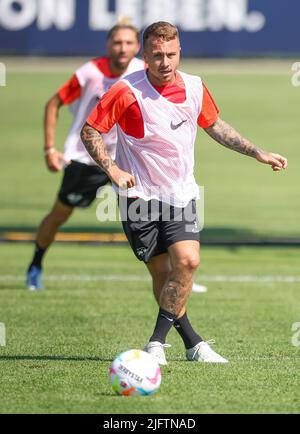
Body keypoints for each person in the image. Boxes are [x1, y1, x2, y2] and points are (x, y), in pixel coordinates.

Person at [80, 21, 287, 364]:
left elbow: (215, 125)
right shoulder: (125, 90)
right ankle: (194, 344)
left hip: (182, 194)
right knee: (163, 277)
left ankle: (156, 343)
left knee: (188, 262)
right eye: (157, 55)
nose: (165, 62)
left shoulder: (194, 86)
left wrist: (257, 152)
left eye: (171, 55)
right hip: (139, 199)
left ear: (180, 52)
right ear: (144, 55)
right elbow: (91, 131)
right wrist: (113, 169)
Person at [26, 21, 144, 290]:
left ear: (137, 47)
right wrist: (49, 149)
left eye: (128, 43)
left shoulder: (142, 71)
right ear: (108, 45)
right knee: (59, 215)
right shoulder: (90, 73)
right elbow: (53, 103)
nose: (123, 48)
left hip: (125, 160)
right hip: (86, 158)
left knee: (150, 213)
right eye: (117, 42)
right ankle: (35, 265)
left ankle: (175, 271)